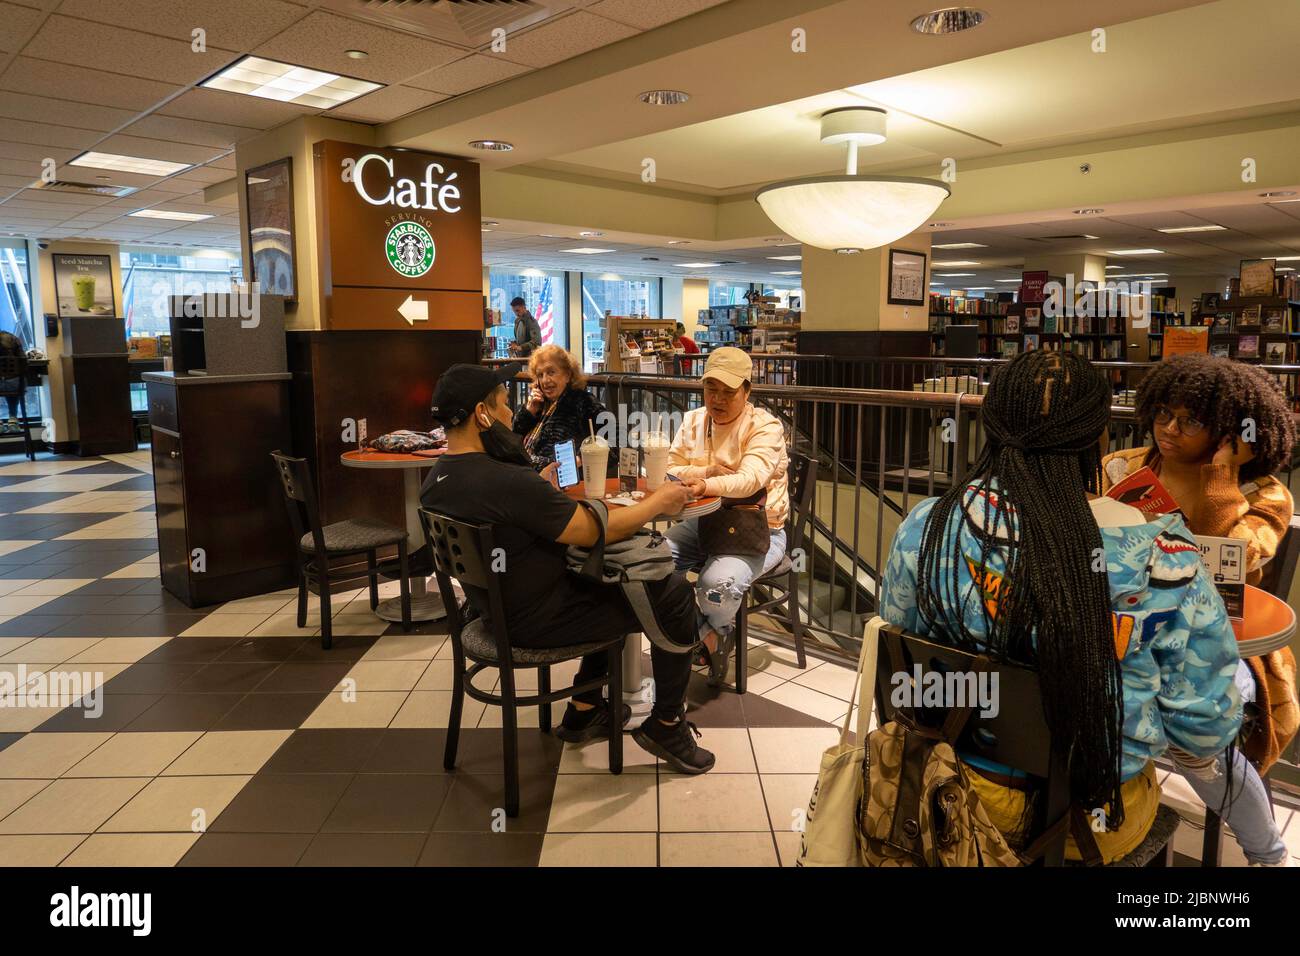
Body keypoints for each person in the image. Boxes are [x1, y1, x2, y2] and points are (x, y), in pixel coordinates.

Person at [880, 351, 1243, 864]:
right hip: (1091, 820)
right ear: (1098, 439)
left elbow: (900, 636)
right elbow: (1204, 731)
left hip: (949, 789)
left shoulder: (928, 526)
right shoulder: (1167, 556)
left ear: (993, 425)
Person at [419, 362, 715, 773]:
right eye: (505, 405)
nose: (511, 414)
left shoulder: (436, 479)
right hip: (538, 622)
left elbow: (509, 517)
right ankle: (667, 723)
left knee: (604, 582)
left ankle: (583, 708)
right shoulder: (507, 482)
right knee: (673, 595)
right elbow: (596, 530)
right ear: (482, 415)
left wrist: (537, 490)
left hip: (494, 612)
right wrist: (659, 503)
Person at [1102, 352, 1297, 865]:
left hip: (1224, 644)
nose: (1169, 428)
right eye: (1163, 412)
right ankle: (1107, 816)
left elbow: (1229, 564)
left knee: (1197, 732)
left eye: (1190, 420)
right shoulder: (1123, 467)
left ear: (1233, 432)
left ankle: (1268, 853)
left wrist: (1220, 481)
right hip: (1131, 627)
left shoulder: (1265, 494)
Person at [665, 346, 789, 686]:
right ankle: (708, 633)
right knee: (650, 561)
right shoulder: (693, 421)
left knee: (715, 584)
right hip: (702, 523)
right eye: (711, 389)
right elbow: (669, 468)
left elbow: (751, 478)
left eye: (729, 392)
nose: (717, 399)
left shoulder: (766, 426)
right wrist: (707, 468)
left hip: (760, 530)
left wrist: (703, 482)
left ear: (747, 391)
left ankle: (709, 632)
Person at [512, 344, 607, 472]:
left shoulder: (582, 402)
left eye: (551, 372)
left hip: (563, 484)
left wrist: (578, 460)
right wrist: (528, 412)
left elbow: (614, 438)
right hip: (528, 478)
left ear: (567, 375)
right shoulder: (540, 404)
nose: (545, 380)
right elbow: (513, 440)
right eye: (540, 375)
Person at [0, 330, 26, 435]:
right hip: (15, 384)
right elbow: (24, 361)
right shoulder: (13, 338)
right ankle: (13, 420)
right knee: (15, 384)